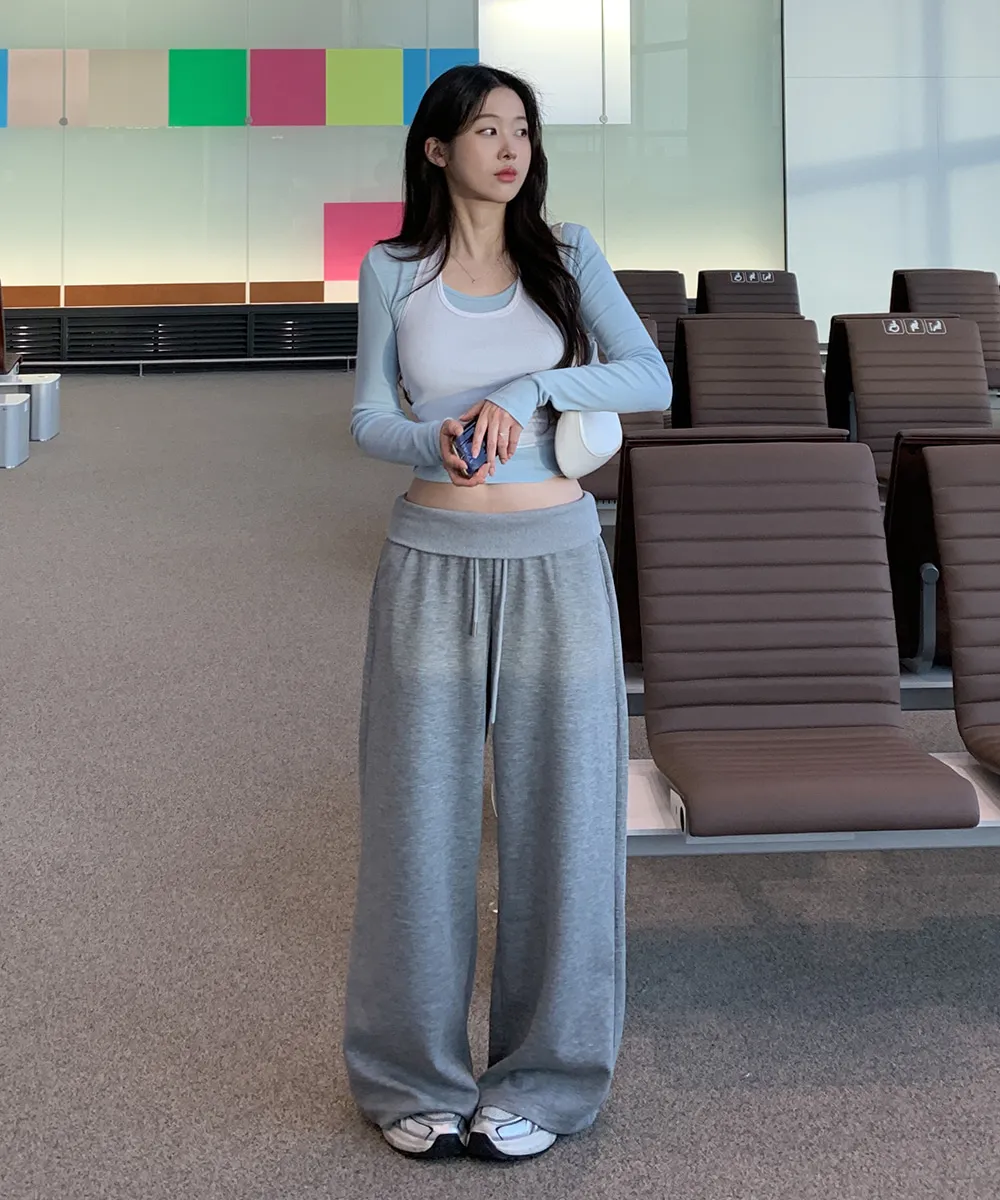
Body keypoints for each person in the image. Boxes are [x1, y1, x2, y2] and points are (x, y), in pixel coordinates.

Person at [344, 63, 672, 1163]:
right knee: (416, 827)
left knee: (565, 824)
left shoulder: (567, 254)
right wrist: (428, 436)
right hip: (431, 559)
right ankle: (410, 1076)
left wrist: (530, 388)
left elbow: (647, 376)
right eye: (486, 130)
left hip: (556, 562)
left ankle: (548, 1078)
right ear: (436, 149)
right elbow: (366, 415)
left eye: (521, 129)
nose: (510, 148)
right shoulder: (392, 268)